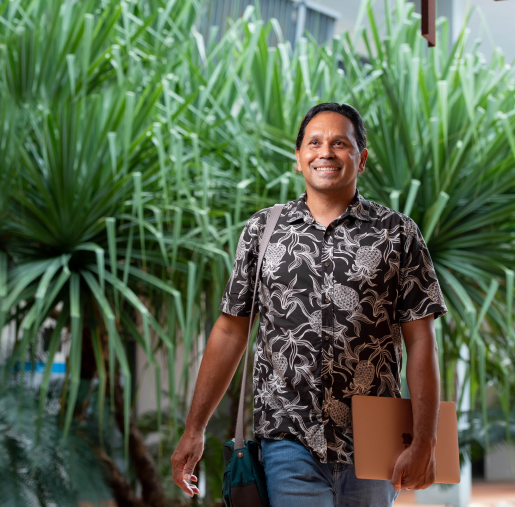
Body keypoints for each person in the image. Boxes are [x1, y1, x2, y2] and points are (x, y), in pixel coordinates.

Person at [171, 102, 448, 507]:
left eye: (340, 143)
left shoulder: (397, 234)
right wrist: (195, 428)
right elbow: (231, 331)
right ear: (299, 159)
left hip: (374, 444)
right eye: (314, 143)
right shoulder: (263, 231)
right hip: (287, 439)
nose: (326, 152)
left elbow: (421, 342)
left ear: (362, 158)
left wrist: (425, 441)